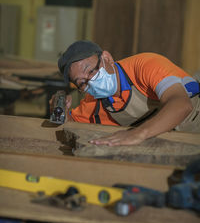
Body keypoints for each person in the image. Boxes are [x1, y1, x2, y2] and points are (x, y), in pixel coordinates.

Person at [54, 40, 200, 146]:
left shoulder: (145, 66)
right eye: (82, 83)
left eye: (91, 71)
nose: (91, 81)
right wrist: (63, 112)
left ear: (107, 58)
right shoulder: (94, 104)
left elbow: (181, 105)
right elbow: (71, 129)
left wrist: (138, 133)